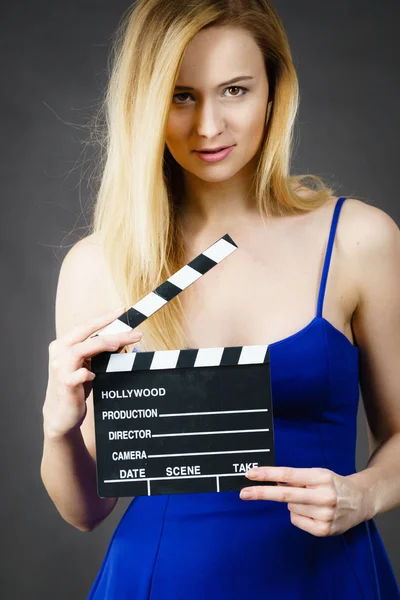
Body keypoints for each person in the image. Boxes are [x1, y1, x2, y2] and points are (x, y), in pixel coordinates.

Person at [40, 0, 400, 598]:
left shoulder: (359, 240)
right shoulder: (97, 266)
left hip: (327, 577)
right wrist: (58, 426)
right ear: (146, 103)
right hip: (155, 581)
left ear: (273, 91)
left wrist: (364, 494)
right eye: (182, 95)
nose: (208, 126)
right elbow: (85, 510)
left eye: (234, 90)